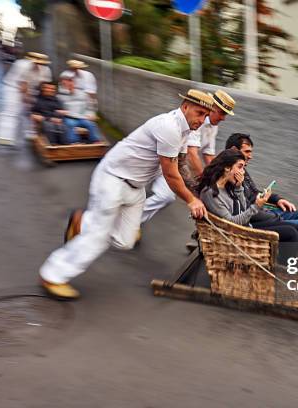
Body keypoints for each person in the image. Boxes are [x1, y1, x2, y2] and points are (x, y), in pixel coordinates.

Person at [39, 89, 214, 300]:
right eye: (199, 112)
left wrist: (201, 191)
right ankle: (53, 275)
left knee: (125, 241)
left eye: (206, 115)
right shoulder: (169, 127)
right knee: (98, 236)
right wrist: (191, 200)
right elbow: (170, 174)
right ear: (185, 106)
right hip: (112, 179)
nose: (202, 119)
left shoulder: (186, 131)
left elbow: (182, 165)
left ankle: (82, 221)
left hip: (135, 186)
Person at [198, 149, 298, 281]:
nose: (243, 171)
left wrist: (240, 189)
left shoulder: (230, 185)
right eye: (240, 167)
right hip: (241, 233)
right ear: (227, 168)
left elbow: (241, 207)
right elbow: (232, 224)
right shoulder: (211, 194)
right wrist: (257, 206)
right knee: (297, 227)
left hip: (248, 224)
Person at [140, 90, 236, 224]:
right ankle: (133, 221)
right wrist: (204, 180)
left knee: (166, 197)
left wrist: (218, 176)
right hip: (167, 163)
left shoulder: (212, 127)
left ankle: (134, 221)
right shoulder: (194, 123)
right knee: (164, 196)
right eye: (222, 113)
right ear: (214, 108)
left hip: (173, 164)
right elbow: (192, 154)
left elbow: (209, 155)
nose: (223, 118)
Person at [224, 133, 298, 246]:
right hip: (255, 221)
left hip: (263, 213)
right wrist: (275, 217)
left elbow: (254, 192)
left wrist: (277, 199)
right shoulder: (231, 175)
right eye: (247, 151)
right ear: (234, 150)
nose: (250, 156)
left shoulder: (242, 170)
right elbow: (244, 210)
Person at [0, 52, 52, 146]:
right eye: (35, 62)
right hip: (13, 87)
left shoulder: (46, 70)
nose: (38, 64)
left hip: (32, 88)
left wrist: (39, 102)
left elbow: (44, 86)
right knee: (11, 111)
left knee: (30, 112)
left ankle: (29, 133)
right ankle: (5, 137)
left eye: (40, 63)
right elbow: (23, 87)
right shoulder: (22, 65)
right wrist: (27, 100)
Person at [57, 71, 101, 144]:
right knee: (70, 124)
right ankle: (74, 142)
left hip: (82, 117)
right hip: (68, 118)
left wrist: (91, 114)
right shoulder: (60, 96)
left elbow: (89, 106)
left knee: (90, 124)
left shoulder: (82, 94)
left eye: (70, 81)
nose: (68, 84)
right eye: (65, 82)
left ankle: (95, 140)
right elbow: (59, 109)